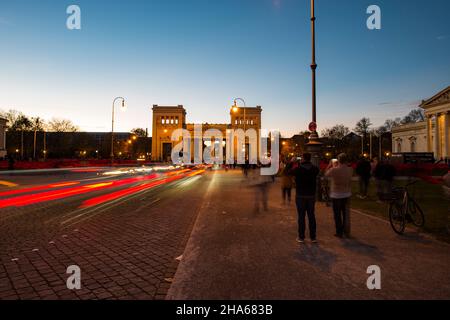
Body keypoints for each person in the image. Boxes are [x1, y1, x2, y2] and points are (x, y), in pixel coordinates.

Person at [290, 153, 320, 243]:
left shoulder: (298, 169)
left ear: (302, 159)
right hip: (311, 195)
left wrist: (291, 162)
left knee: (301, 216)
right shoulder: (315, 169)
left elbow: (286, 171)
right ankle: (313, 237)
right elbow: (318, 172)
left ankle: (301, 237)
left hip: (300, 195)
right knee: (311, 216)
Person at [325, 153, 354, 238]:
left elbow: (326, 174)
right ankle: (346, 231)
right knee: (346, 214)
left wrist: (330, 165)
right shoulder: (350, 169)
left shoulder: (334, 170)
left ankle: (339, 231)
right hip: (347, 193)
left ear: (338, 160)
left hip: (336, 194)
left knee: (337, 214)